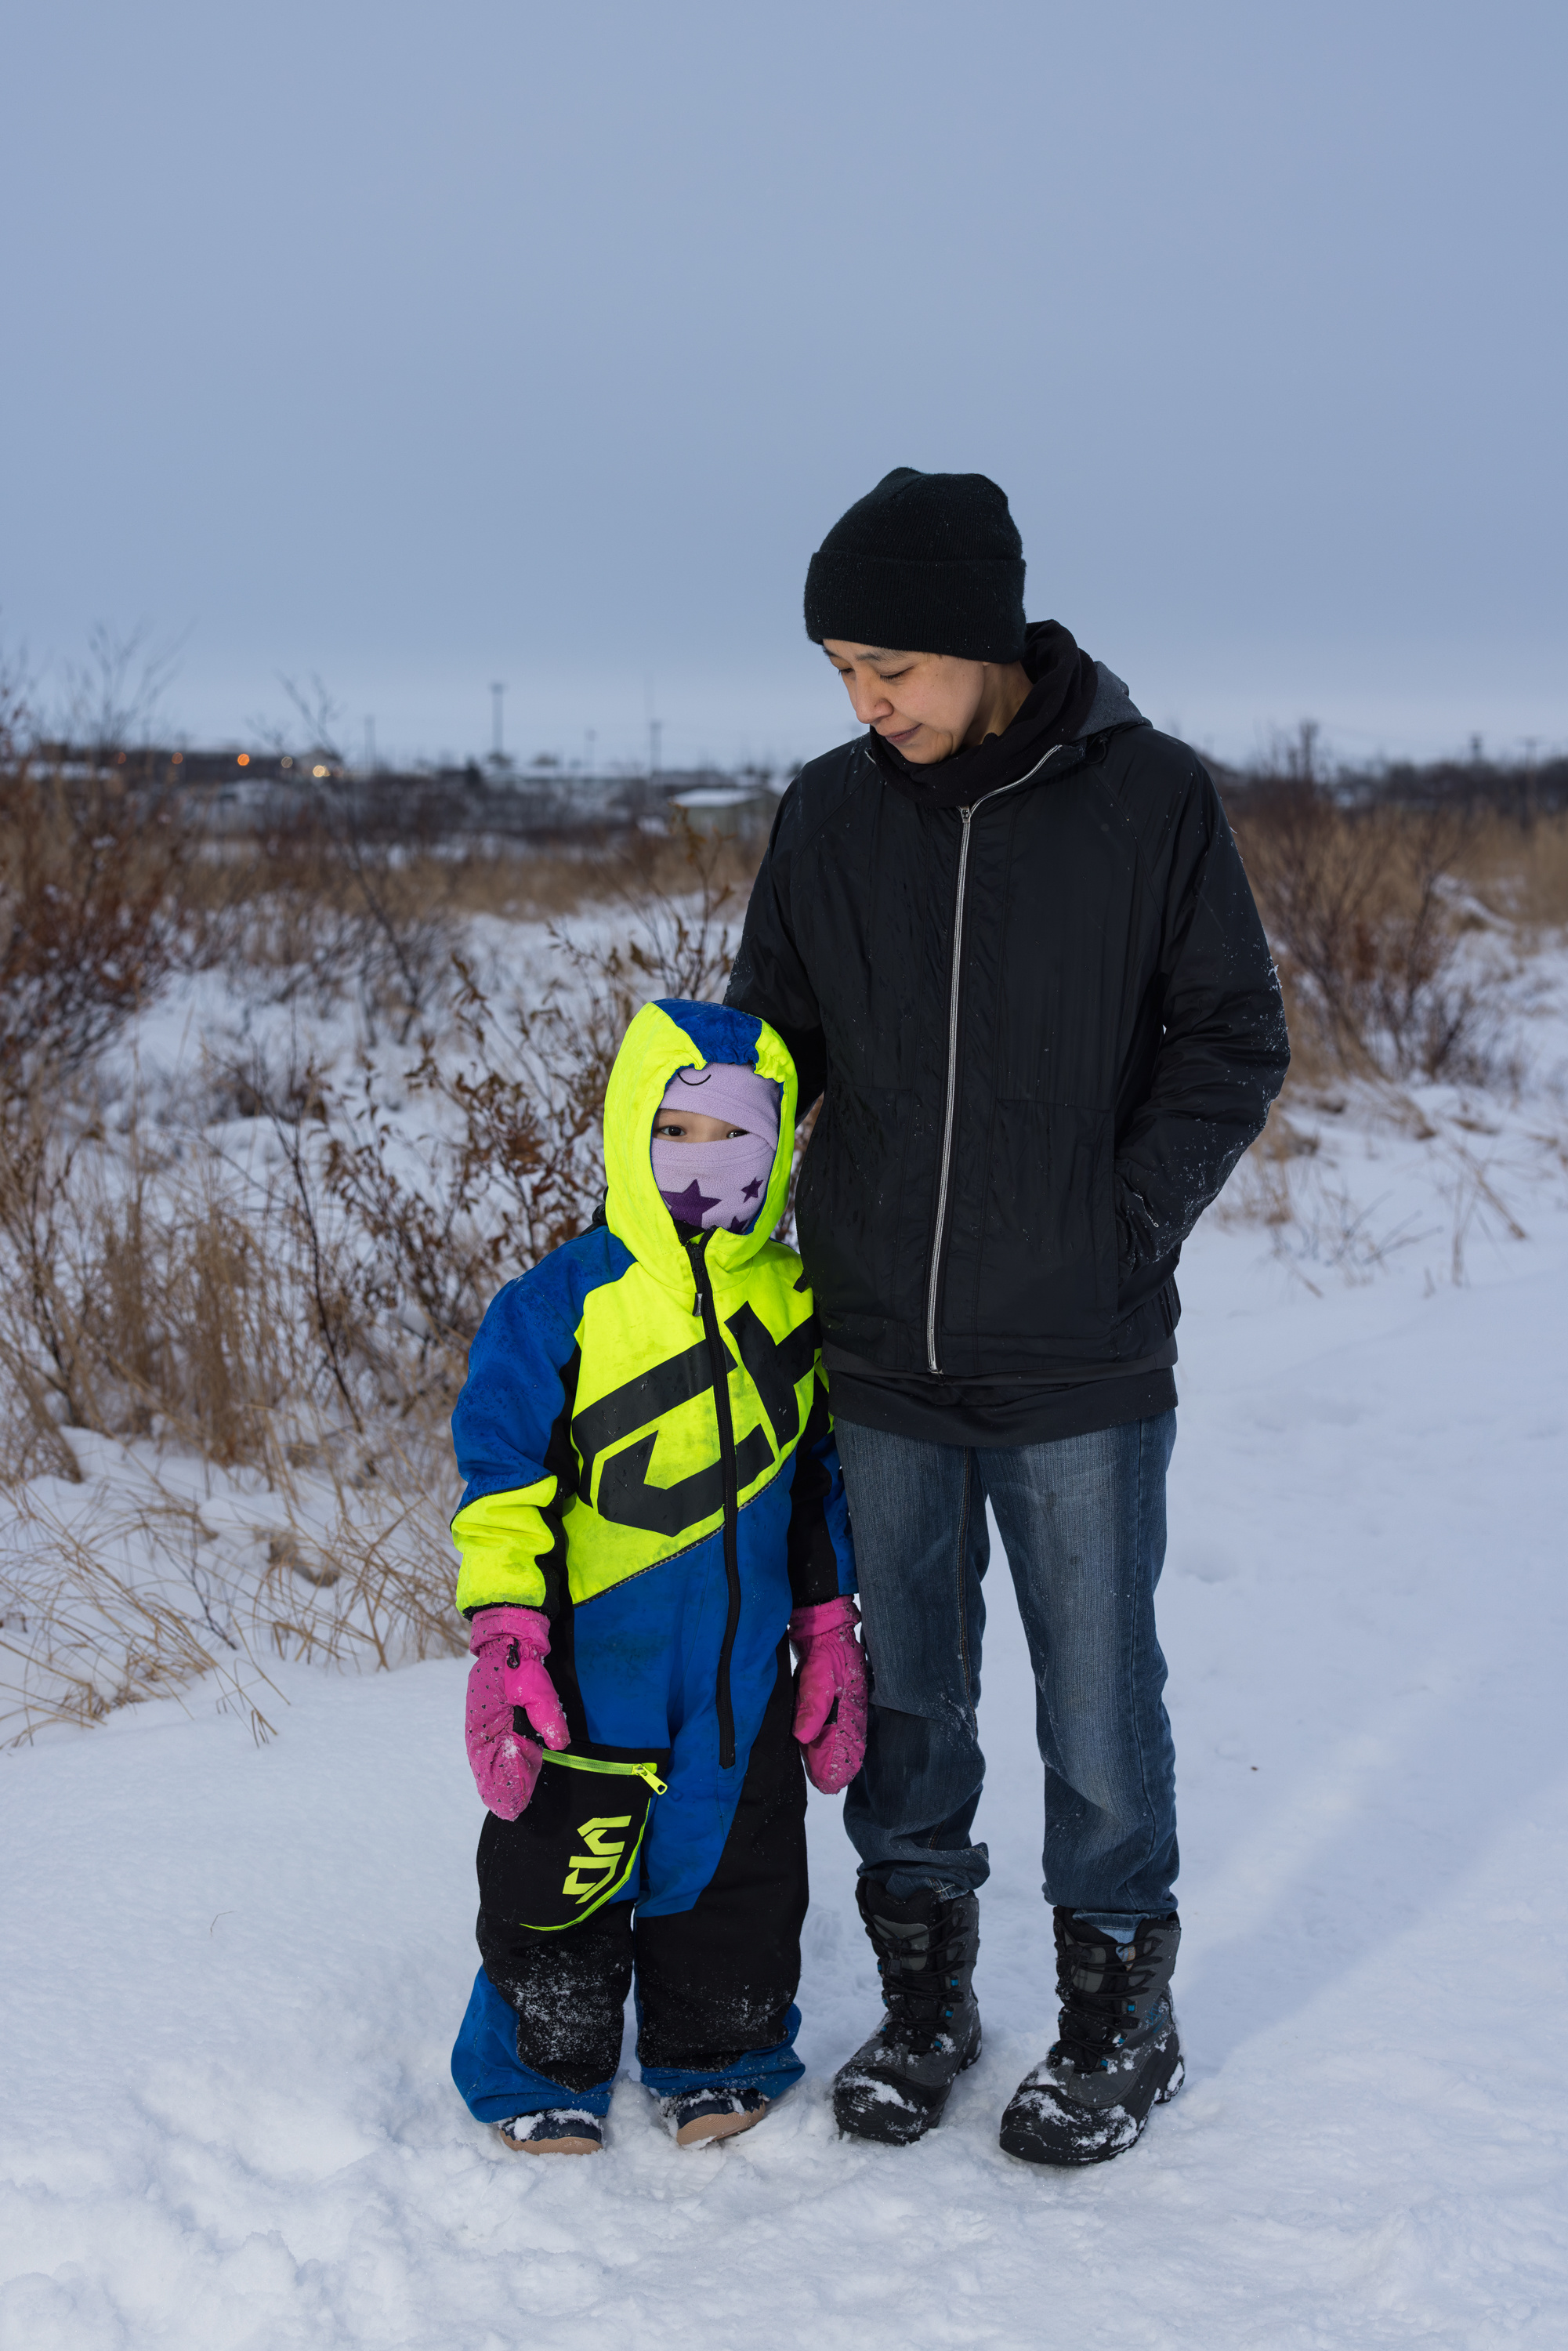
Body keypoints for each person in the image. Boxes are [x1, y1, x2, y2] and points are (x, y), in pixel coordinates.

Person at [725, 467, 1290, 2164]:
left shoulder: (1148, 802)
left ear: (980, 644)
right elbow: (769, 1051)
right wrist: (696, 1206)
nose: (862, 699)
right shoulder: (827, 814)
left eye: (885, 663)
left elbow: (1228, 1038)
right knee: (906, 1700)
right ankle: (924, 2004)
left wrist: (1121, 1222)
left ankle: (1121, 2017)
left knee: (1097, 1709)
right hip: (880, 1345)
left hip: (1078, 1356)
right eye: (837, 668)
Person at [447, 998, 864, 2154]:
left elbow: (822, 1484)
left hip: (742, 1669)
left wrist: (829, 1637)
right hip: (591, 1663)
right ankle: (545, 2063)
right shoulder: (558, 1306)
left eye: (738, 1133)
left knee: (734, 1865)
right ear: (631, 1127)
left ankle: (718, 2048)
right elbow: (499, 1484)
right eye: (677, 1130)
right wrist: (507, 1641)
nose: (705, 1158)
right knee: (558, 1869)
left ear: (780, 1145)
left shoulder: (793, 1303)